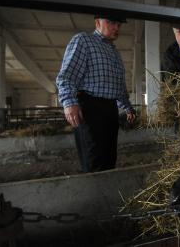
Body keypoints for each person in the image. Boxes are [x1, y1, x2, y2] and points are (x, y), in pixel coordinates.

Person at [56, 13, 136, 173]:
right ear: (97, 22)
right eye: (111, 22)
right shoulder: (84, 41)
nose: (116, 27)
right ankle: (95, 193)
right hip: (90, 108)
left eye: (119, 25)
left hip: (110, 109)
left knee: (109, 157)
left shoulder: (114, 53)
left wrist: (127, 107)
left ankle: (106, 193)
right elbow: (67, 75)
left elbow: (119, 87)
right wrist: (69, 102)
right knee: (94, 159)